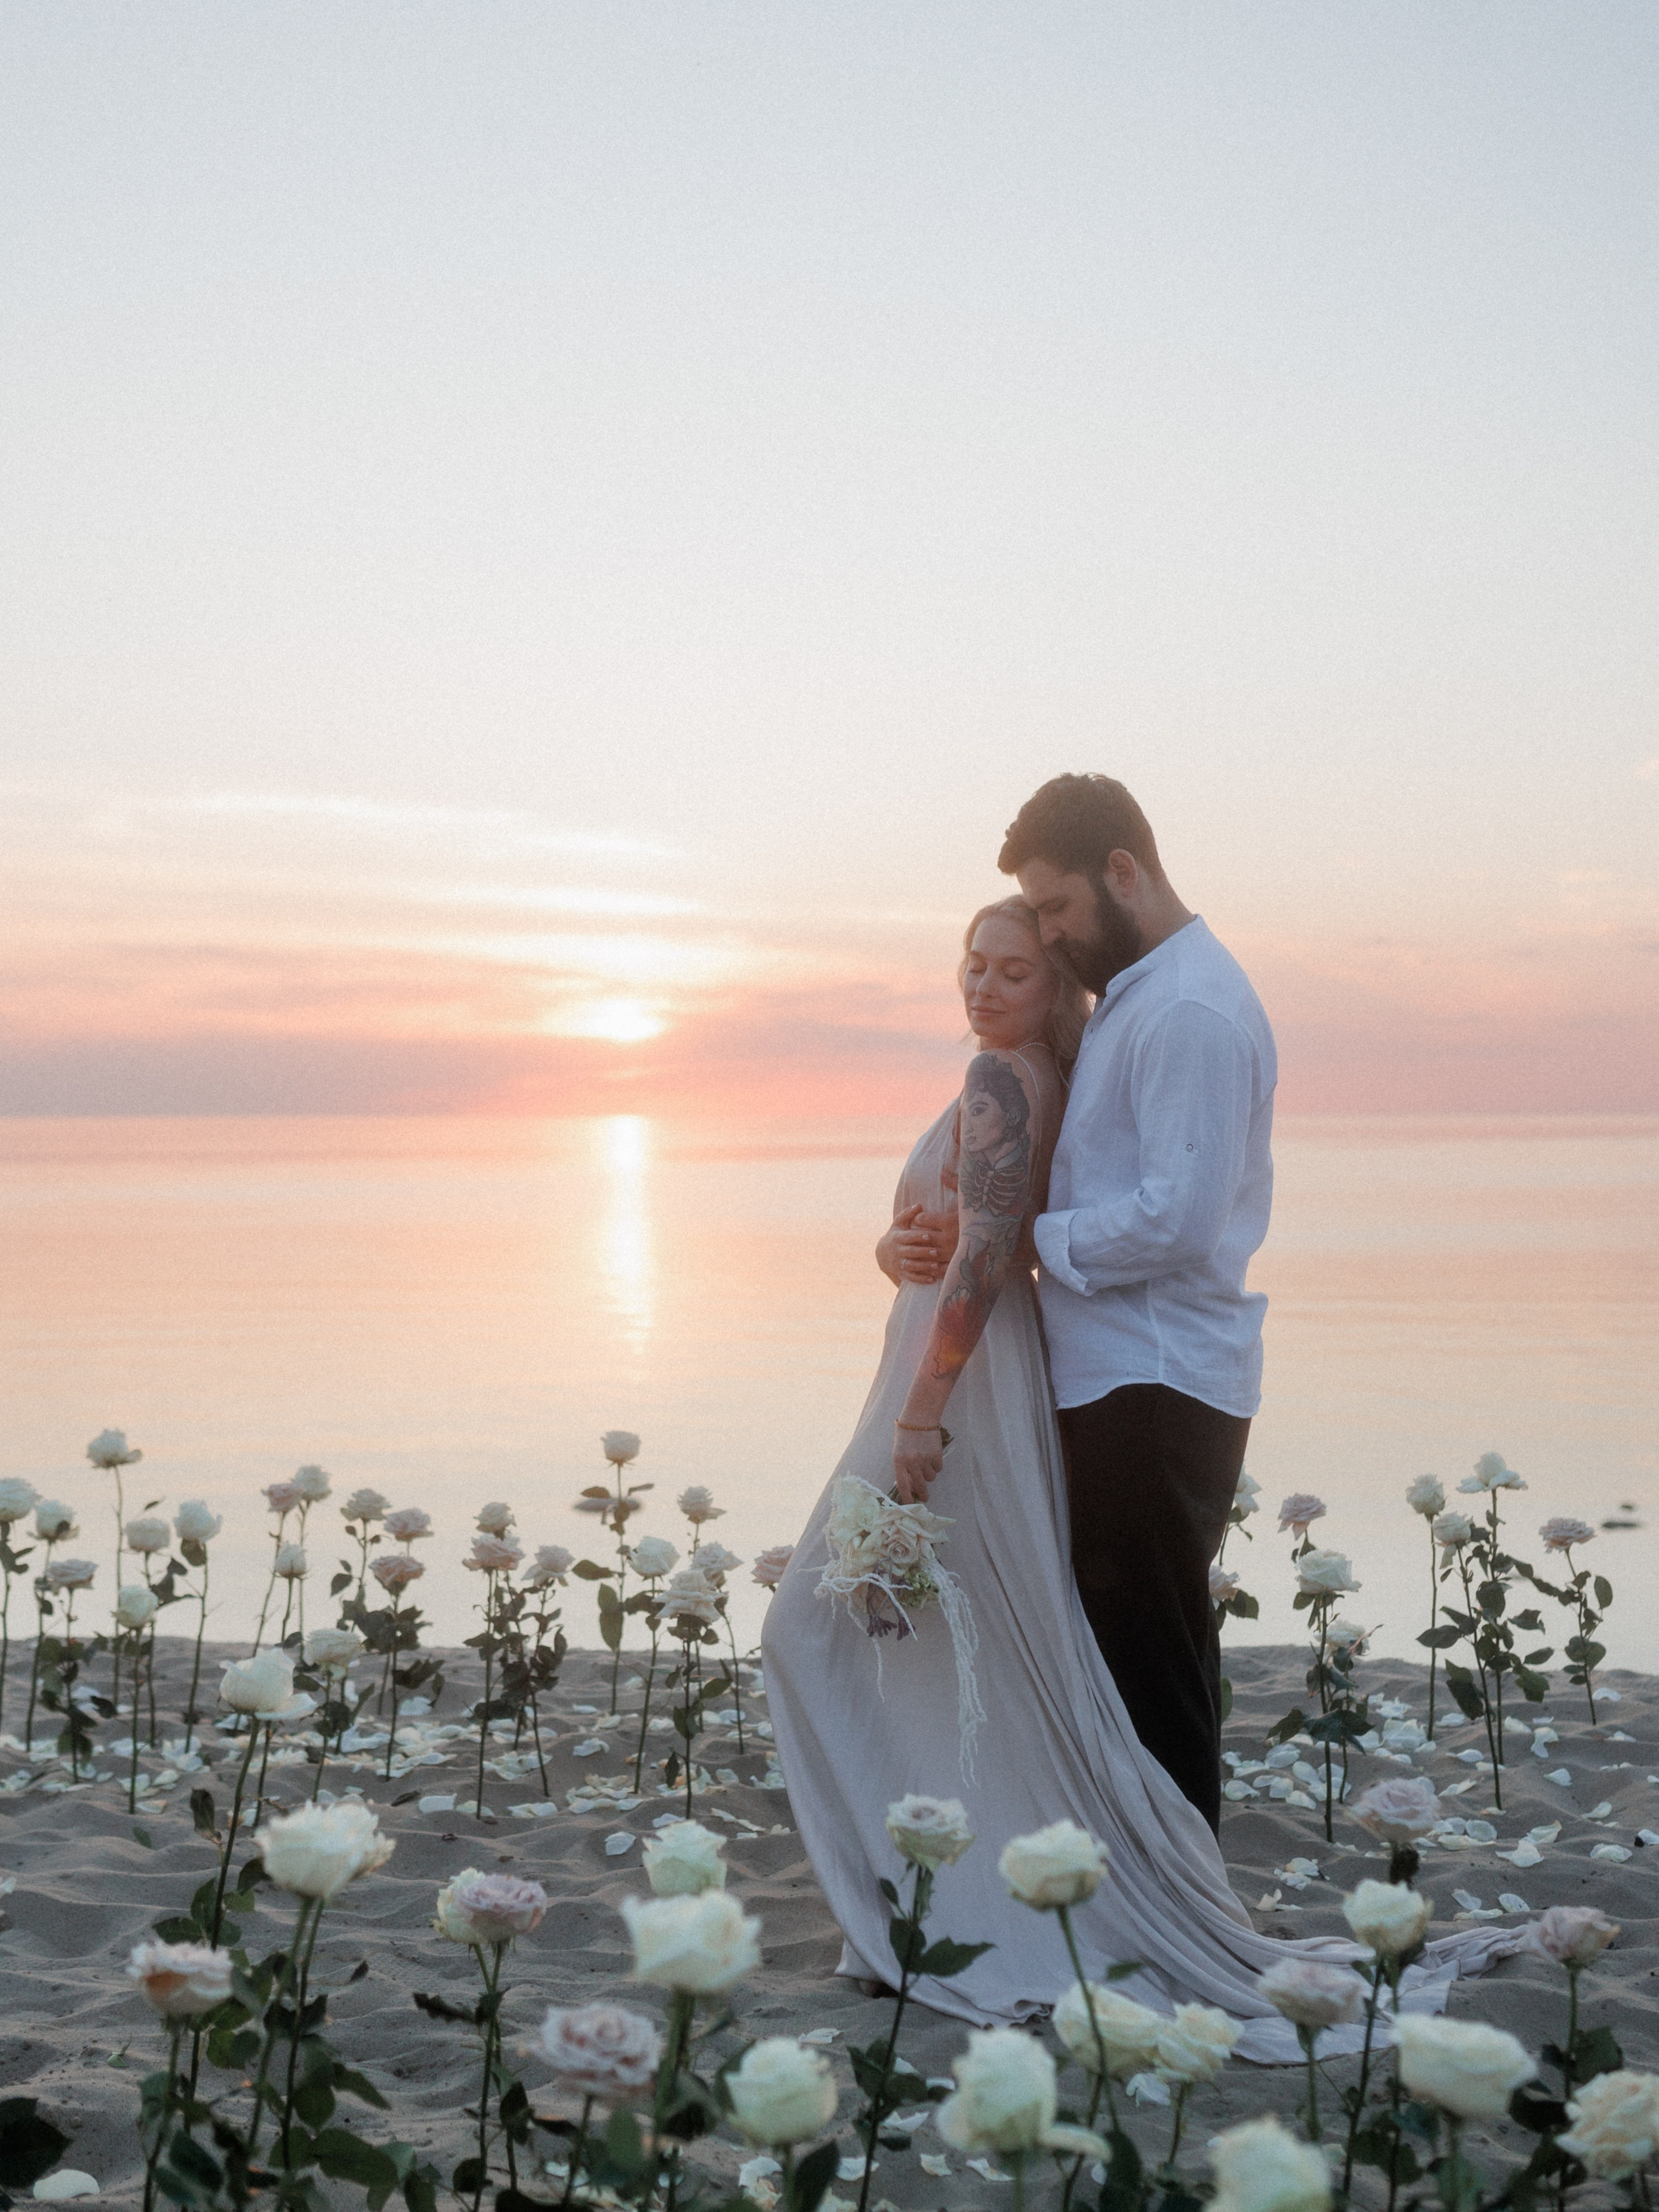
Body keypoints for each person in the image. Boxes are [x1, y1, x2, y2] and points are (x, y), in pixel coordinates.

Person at [762, 840, 1524, 2055]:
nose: (990, 978)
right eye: (977, 959)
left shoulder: (1095, 1047)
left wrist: (931, 1387)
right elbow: (967, 1232)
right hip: (1032, 1382)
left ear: (1109, 885)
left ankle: (1102, 1908)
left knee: (840, 1626)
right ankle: (1011, 1898)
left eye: (1027, 951)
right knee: (1039, 1652)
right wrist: (907, 1251)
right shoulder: (1074, 1048)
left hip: (1018, 1389)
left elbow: (1135, 1220)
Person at [1001, 772, 1274, 1833]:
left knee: (1154, 1671)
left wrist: (1035, 1240)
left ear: (1124, 870)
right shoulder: (1141, 996)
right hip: (1129, 1377)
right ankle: (1164, 1904)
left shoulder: (1191, 1009)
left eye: (1060, 906)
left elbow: (1178, 1220)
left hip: (1154, 1384)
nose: (1055, 931)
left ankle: (1184, 1923)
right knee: (1141, 1656)